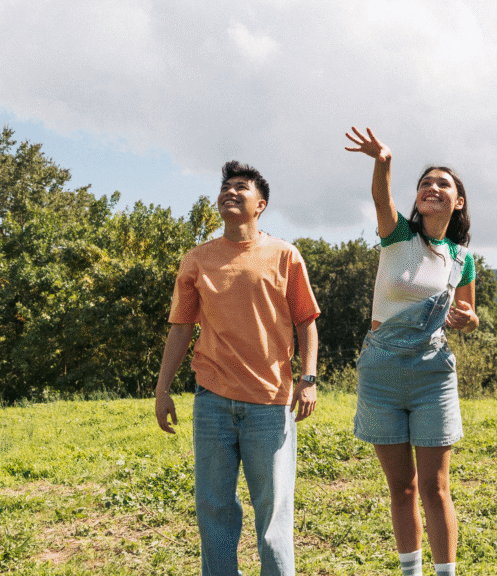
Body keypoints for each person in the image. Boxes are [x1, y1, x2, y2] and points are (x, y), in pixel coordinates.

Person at [154, 160, 320, 576]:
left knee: (273, 516)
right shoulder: (197, 260)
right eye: (225, 187)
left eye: (241, 188)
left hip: (270, 403)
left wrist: (309, 379)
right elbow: (180, 328)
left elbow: (306, 321)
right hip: (212, 403)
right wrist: (162, 389)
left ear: (260, 204)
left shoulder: (284, 255)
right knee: (214, 509)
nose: (230, 192)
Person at [344, 126, 478, 576]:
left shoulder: (462, 257)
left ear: (458, 201)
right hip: (380, 371)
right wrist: (383, 162)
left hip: (431, 373)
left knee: (435, 488)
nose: (432, 188)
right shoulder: (397, 235)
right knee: (401, 487)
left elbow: (468, 313)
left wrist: (468, 319)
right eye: (425, 182)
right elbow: (381, 197)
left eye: (443, 183)